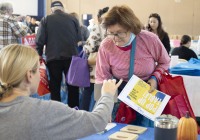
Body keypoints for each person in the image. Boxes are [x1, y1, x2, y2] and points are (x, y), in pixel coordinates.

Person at [0, 44, 122, 140]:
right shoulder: (45, 110)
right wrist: (107, 94)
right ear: (29, 75)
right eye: (38, 69)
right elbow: (98, 121)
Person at [95, 5, 170, 127]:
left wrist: (155, 77)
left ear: (132, 28)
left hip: (146, 92)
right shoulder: (106, 45)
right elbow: (102, 78)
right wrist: (104, 107)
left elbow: (165, 62)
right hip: (119, 94)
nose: (115, 39)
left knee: (146, 130)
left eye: (120, 33)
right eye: (111, 33)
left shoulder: (149, 39)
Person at [36, 1, 82, 107]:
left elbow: (40, 39)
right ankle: (74, 109)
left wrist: (38, 53)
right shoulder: (73, 19)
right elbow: (79, 38)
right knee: (72, 85)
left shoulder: (46, 19)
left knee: (55, 85)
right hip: (71, 57)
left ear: (52, 9)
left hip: (53, 57)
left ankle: (56, 109)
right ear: (62, 8)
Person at [80, 7, 109, 111]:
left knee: (88, 91)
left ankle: (85, 113)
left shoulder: (98, 27)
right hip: (111, 67)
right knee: (105, 94)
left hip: (96, 67)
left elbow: (88, 47)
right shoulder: (116, 28)